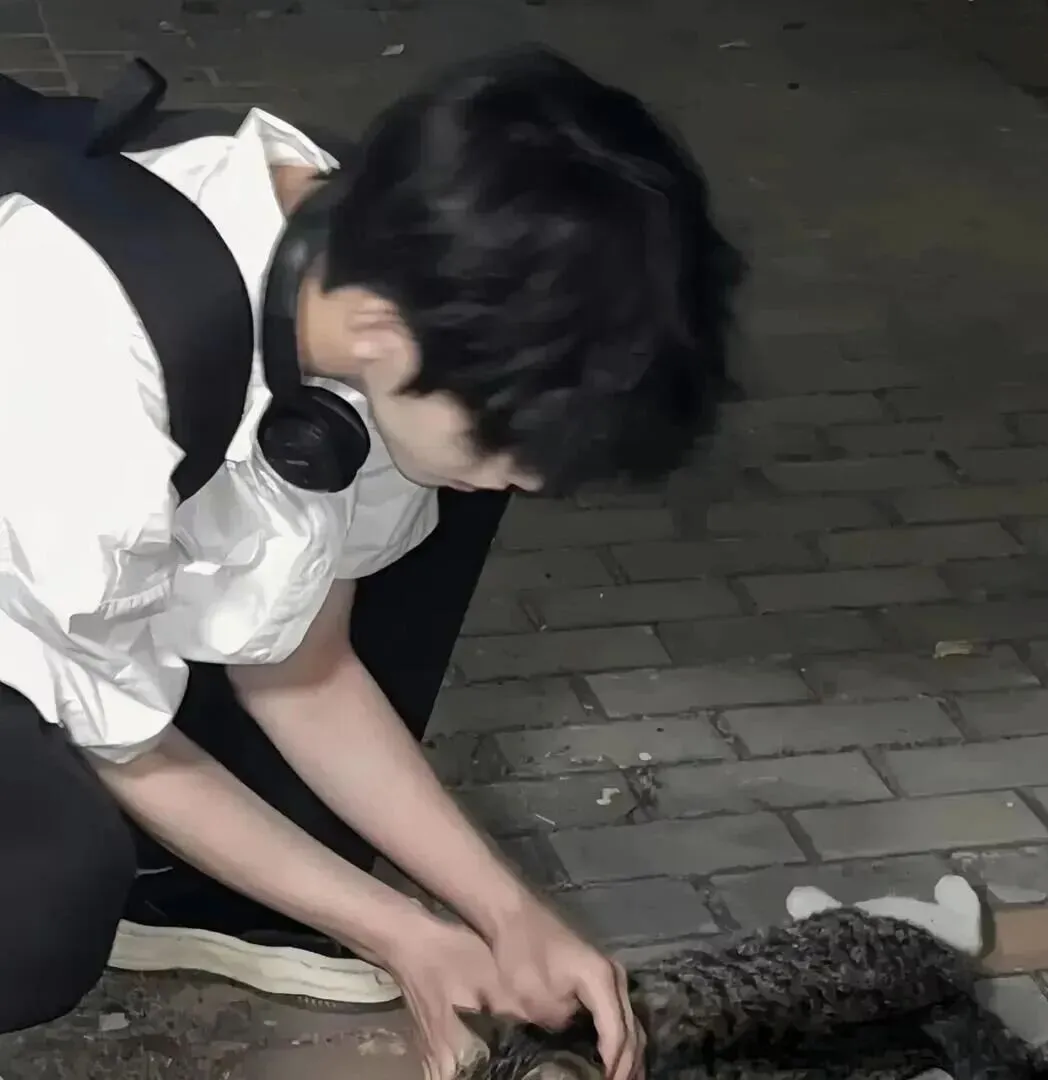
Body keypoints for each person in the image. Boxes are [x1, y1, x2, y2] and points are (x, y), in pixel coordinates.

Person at [0, 45, 740, 1080]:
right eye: (515, 451)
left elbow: (303, 670)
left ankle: (201, 898)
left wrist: (505, 911)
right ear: (384, 334)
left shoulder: (381, 273)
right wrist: (403, 936)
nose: (528, 480)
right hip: (34, 484)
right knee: (36, 901)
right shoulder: (80, 362)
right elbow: (121, 742)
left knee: (447, 490)